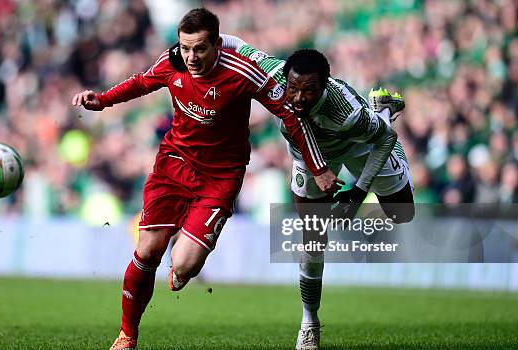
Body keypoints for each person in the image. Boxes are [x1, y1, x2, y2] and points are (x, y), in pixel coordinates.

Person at [72, 8, 342, 350]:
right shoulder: (173, 63)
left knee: (184, 266)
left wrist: (317, 168)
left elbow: (289, 114)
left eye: (199, 48)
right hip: (173, 166)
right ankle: (127, 334)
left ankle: (182, 266)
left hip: (220, 178)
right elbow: (142, 81)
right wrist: (104, 100)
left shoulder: (243, 72)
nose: (191, 57)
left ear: (217, 44)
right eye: (185, 48)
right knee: (148, 249)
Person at [221, 34, 415, 350]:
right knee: (312, 238)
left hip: (358, 144)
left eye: (308, 91)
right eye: (293, 88)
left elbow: (385, 139)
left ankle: (381, 109)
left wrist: (358, 191)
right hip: (310, 159)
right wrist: (190, 47)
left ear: (323, 87)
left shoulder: (347, 113)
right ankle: (309, 321)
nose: (297, 98)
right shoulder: (275, 73)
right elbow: (234, 43)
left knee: (402, 213)